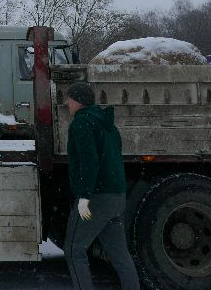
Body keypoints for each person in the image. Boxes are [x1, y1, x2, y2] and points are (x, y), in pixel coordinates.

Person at [64, 81, 140, 290]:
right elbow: (113, 157)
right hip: (116, 197)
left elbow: (89, 161)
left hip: (96, 197)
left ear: (78, 100)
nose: (67, 103)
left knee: (73, 249)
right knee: (119, 254)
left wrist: (84, 197)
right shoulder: (108, 124)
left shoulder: (82, 123)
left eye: (69, 98)